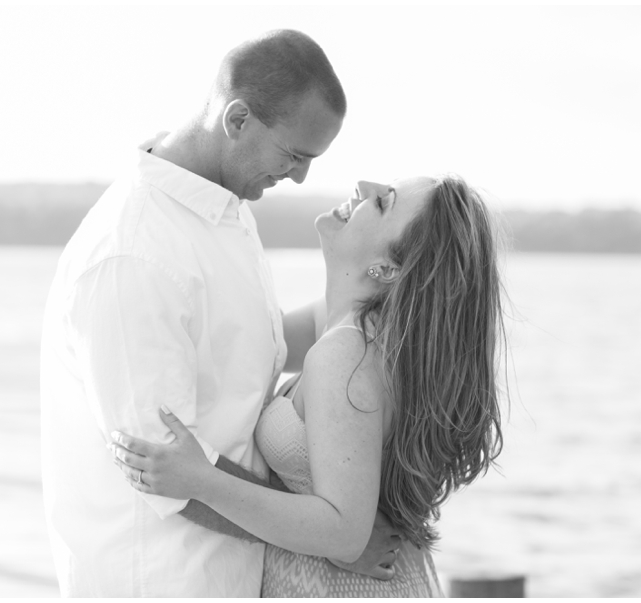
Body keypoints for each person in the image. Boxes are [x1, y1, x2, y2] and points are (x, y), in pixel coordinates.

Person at [40, 30, 397, 597]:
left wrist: (397, 287)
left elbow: (262, 347)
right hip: (160, 580)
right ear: (237, 121)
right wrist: (333, 537)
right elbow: (165, 476)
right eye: (294, 155)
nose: (301, 177)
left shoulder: (222, 207)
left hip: (229, 576)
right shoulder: (134, 254)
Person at [110, 174, 506, 596]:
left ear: (388, 268)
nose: (365, 186)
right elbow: (242, 346)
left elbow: (344, 534)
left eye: (384, 203)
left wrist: (201, 479)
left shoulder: (348, 354)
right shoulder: (352, 327)